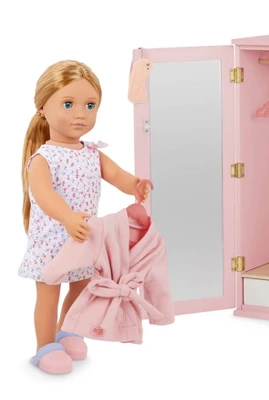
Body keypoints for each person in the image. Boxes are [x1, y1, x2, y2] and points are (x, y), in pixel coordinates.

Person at [18, 60, 149, 374]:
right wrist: (66, 217)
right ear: (42, 109)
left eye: (90, 106)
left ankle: (67, 333)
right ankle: (44, 346)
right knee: (49, 295)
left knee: (81, 291)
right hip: (52, 244)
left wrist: (136, 185)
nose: (81, 114)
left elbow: (116, 175)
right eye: (68, 104)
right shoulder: (43, 158)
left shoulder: (91, 152)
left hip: (84, 240)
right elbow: (44, 195)